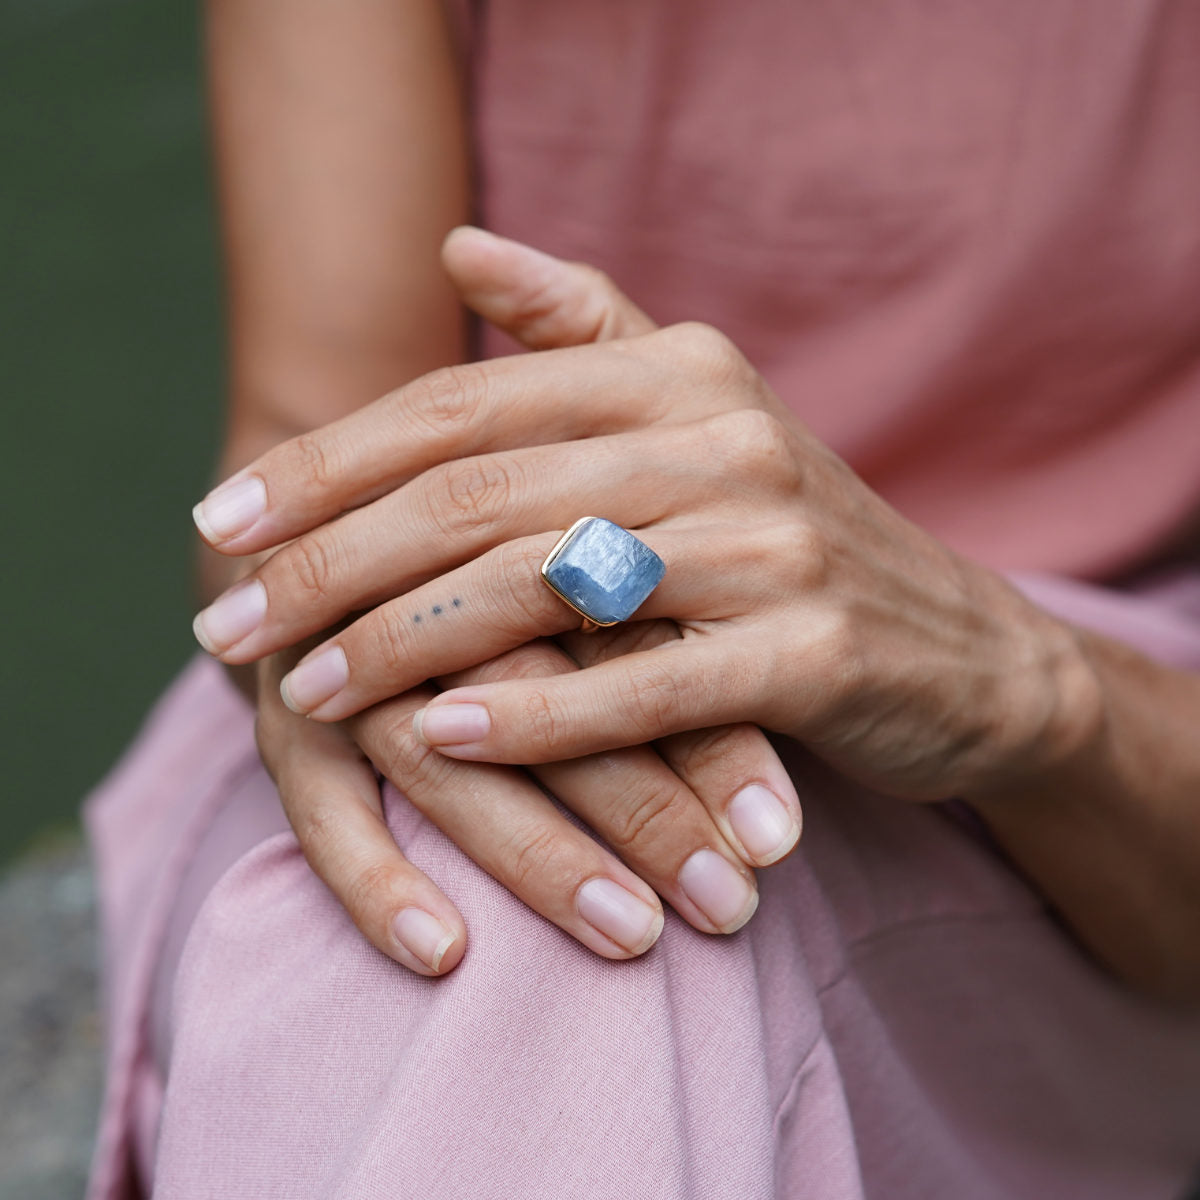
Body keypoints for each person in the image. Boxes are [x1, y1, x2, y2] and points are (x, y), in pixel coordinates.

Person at [86, 1, 1200, 1197]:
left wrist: (1030, 686)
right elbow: (304, 447)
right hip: (448, 652)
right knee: (524, 871)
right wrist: (381, 603)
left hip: (1112, 758)